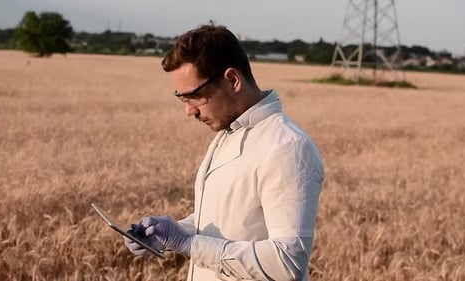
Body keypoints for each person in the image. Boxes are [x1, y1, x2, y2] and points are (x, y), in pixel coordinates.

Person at [124, 22, 324, 281]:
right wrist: (171, 233)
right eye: (181, 98)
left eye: (194, 96)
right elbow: (232, 218)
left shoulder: (288, 147)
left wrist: (189, 244)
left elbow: (288, 263)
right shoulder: (227, 134)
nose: (189, 110)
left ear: (232, 80)